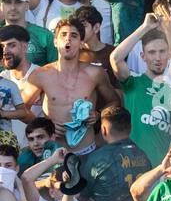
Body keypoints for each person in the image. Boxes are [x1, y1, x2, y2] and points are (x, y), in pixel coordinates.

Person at [20, 19, 120, 156]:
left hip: (87, 150)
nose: (68, 39)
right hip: (54, 153)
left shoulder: (95, 73)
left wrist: (98, 114)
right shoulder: (41, 75)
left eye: (74, 36)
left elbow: (114, 101)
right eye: (63, 35)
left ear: (81, 44)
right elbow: (21, 109)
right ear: (55, 42)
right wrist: (46, 125)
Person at [109, 15, 171, 165]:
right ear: (143, 56)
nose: (158, 57)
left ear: (169, 55)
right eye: (152, 52)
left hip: (164, 172)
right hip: (134, 167)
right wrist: (145, 27)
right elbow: (115, 59)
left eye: (162, 51)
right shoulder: (133, 83)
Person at [81, 104, 151, 201]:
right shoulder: (143, 155)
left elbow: (82, 194)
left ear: (103, 130)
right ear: (130, 127)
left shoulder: (97, 158)